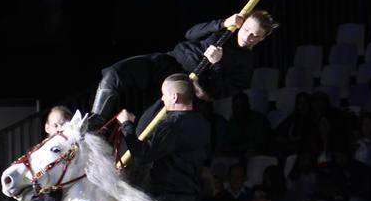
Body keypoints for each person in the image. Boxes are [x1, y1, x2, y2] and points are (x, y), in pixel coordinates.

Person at [88, 10, 278, 130]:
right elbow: (190, 34)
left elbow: (218, 92)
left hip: (184, 85)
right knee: (116, 72)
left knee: (145, 127)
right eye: (247, 30)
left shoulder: (246, 64)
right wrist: (220, 23)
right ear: (242, 24)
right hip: (169, 60)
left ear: (262, 39)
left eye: (255, 36)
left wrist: (216, 64)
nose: (248, 37)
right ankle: (96, 120)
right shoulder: (225, 30)